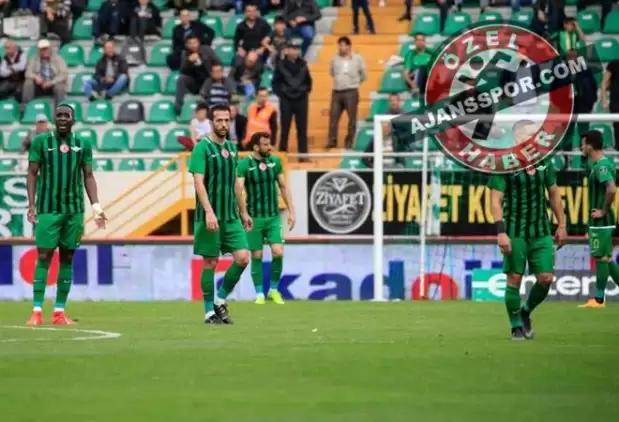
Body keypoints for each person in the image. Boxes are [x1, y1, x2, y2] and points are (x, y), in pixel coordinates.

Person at [25, 104, 106, 326]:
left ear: (73, 120)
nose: (62, 119)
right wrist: (31, 205)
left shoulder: (83, 144)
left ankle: (59, 312)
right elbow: (32, 173)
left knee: (68, 257)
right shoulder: (42, 142)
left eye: (66, 115)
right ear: (54, 118)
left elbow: (89, 176)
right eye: (58, 115)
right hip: (48, 209)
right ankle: (36, 311)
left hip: (74, 210)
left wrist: (96, 207)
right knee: (43, 256)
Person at [489, 120, 567, 340]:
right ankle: (515, 327)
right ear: (517, 138)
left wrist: (561, 224)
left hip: (541, 230)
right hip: (514, 231)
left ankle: (525, 312)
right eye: (530, 135)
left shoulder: (545, 159)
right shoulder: (504, 162)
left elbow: (553, 193)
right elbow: (496, 200)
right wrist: (501, 231)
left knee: (546, 278)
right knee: (514, 278)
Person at [189, 103, 252, 324]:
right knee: (210, 263)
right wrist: (208, 212)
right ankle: (208, 312)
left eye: (226, 120)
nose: (223, 124)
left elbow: (237, 184)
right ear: (211, 122)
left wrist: (243, 211)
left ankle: (220, 299)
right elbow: (198, 181)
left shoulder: (232, 148)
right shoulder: (202, 147)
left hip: (231, 215)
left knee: (243, 258)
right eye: (219, 120)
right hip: (210, 215)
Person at [237, 132, 295, 304]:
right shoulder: (244, 164)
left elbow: (283, 186)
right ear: (255, 147)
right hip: (254, 218)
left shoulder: (275, 162)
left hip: (272, 217)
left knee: (278, 252)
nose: (269, 147)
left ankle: (274, 290)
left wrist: (292, 211)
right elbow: (238, 190)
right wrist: (243, 213)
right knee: (257, 254)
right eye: (265, 145)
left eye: (269, 144)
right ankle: (259, 294)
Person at [578, 130, 619, 308]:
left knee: (601, 258)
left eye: (582, 143)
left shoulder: (602, 166)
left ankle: (599, 299)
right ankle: (598, 298)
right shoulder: (599, 164)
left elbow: (611, 189)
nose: (580, 147)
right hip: (603, 221)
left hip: (602, 221)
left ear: (589, 145)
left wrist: (603, 211)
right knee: (607, 258)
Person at [273, 40, 312, 158]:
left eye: (297, 49)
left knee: (302, 128)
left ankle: (303, 156)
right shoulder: (280, 65)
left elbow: (309, 82)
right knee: (285, 128)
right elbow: (275, 83)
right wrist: (282, 94)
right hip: (286, 100)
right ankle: (282, 155)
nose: (295, 51)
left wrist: (303, 91)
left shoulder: (303, 64)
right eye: (292, 48)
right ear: (287, 50)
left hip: (301, 100)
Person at [327, 36, 366, 149]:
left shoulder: (357, 58)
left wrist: (354, 83)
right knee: (333, 118)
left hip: (351, 91)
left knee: (352, 119)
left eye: (343, 45)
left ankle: (349, 142)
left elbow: (363, 75)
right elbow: (332, 72)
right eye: (339, 45)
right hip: (337, 91)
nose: (341, 47)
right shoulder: (334, 59)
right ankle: (332, 141)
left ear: (349, 46)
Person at [175, 35, 220, 115]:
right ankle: (178, 106)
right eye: (190, 43)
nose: (193, 45)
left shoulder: (207, 50)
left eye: (195, 43)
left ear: (199, 43)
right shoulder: (185, 54)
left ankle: (208, 109)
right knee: (181, 78)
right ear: (187, 45)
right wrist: (189, 62)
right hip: (195, 83)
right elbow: (182, 71)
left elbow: (218, 63)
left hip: (209, 80)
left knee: (209, 80)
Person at [22, 39, 68, 107]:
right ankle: (27, 108)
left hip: (53, 84)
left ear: (50, 48)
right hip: (39, 85)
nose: (45, 51)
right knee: (28, 82)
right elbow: (28, 72)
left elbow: (63, 74)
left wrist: (51, 82)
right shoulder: (34, 59)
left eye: (46, 48)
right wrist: (36, 77)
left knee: (60, 88)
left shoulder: (58, 59)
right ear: (39, 50)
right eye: (42, 49)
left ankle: (60, 113)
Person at [600, 58, 619, 150]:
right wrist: (604, 99)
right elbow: (604, 83)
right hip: (616, 103)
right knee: (618, 129)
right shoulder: (614, 64)